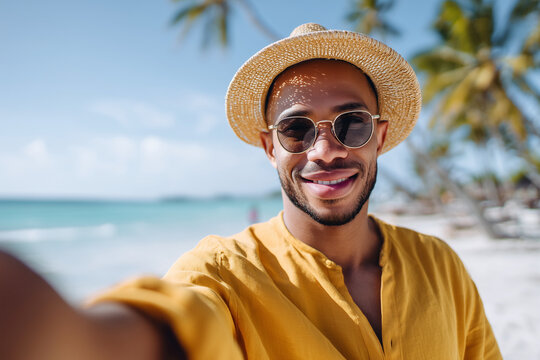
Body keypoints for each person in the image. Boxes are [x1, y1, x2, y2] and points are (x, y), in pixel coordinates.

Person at [0, 23, 501, 359]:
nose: (324, 150)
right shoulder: (223, 275)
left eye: (351, 125)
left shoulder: (441, 266)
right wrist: (66, 333)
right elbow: (172, 323)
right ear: (269, 147)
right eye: (296, 130)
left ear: (382, 136)